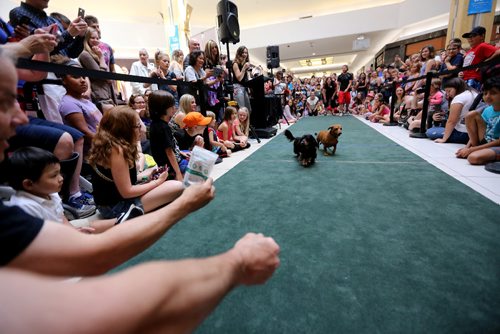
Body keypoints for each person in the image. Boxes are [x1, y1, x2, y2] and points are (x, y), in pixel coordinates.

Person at [88, 105, 184, 219]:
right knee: (176, 186)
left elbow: (119, 180)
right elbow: (127, 191)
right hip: (114, 208)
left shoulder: (111, 145)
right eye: (138, 126)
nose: (142, 129)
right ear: (124, 129)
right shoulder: (117, 150)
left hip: (110, 203)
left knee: (154, 173)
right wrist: (157, 182)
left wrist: (148, 176)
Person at [5, 147, 118, 233]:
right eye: (54, 175)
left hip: (63, 233)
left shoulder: (51, 193)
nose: (61, 178)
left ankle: (126, 219)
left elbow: (63, 220)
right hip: (49, 248)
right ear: (29, 184)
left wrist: (74, 233)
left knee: (101, 225)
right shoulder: (24, 209)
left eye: (59, 173)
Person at [58, 59, 102, 157]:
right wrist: (111, 145)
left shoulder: (85, 100)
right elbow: (86, 134)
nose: (82, 80)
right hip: (94, 155)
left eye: (83, 76)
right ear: (64, 80)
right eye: (76, 76)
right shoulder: (69, 103)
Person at [456, 77, 500, 164]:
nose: (487, 96)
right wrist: (467, 147)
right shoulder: (487, 110)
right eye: (485, 93)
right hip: (486, 141)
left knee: (473, 158)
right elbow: (476, 130)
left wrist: (473, 150)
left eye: (493, 93)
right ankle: (479, 149)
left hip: (497, 144)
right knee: (471, 114)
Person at [149, 90, 189, 182]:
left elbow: (171, 147)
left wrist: (181, 153)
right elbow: (169, 152)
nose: (174, 108)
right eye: (171, 106)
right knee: (199, 162)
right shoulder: (163, 127)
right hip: (171, 166)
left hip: (165, 164)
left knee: (189, 152)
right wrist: (178, 173)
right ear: (163, 108)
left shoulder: (155, 124)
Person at [427, 78, 478, 144]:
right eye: (446, 92)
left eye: (449, 91)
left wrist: (444, 139)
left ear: (457, 87)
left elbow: (451, 121)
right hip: (476, 132)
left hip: (463, 133)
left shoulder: (459, 98)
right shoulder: (474, 92)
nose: (448, 94)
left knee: (430, 131)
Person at [78, 27, 116, 111]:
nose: (95, 40)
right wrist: (101, 57)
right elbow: (101, 75)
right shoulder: (85, 54)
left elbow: (107, 73)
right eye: (92, 38)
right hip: (98, 94)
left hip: (106, 92)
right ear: (86, 38)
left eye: (97, 38)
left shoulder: (94, 53)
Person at [461, 26, 500, 91]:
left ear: (482, 36)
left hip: (474, 80)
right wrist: (461, 73)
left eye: (473, 36)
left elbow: (498, 52)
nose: (470, 39)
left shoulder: (482, 46)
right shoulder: (470, 50)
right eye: (468, 37)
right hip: (464, 79)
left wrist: (483, 63)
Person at [232, 46, 253, 111]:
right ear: (239, 53)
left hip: (244, 88)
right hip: (237, 88)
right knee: (242, 110)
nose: (244, 54)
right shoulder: (235, 63)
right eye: (243, 52)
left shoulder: (244, 64)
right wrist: (244, 68)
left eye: (246, 53)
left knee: (248, 110)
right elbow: (239, 78)